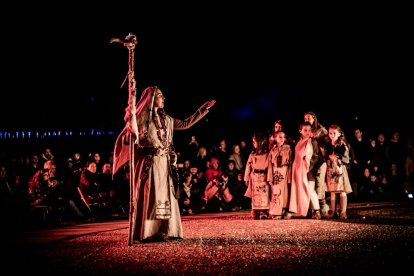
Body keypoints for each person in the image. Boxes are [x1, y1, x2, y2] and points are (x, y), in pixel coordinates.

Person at [113, 80, 215, 244]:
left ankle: (164, 229)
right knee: (151, 196)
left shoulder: (167, 119)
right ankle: (148, 231)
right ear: (152, 98)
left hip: (164, 164)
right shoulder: (141, 119)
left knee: (164, 197)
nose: (164, 98)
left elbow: (186, 123)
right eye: (160, 95)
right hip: (150, 164)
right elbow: (130, 133)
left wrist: (203, 110)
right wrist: (131, 98)